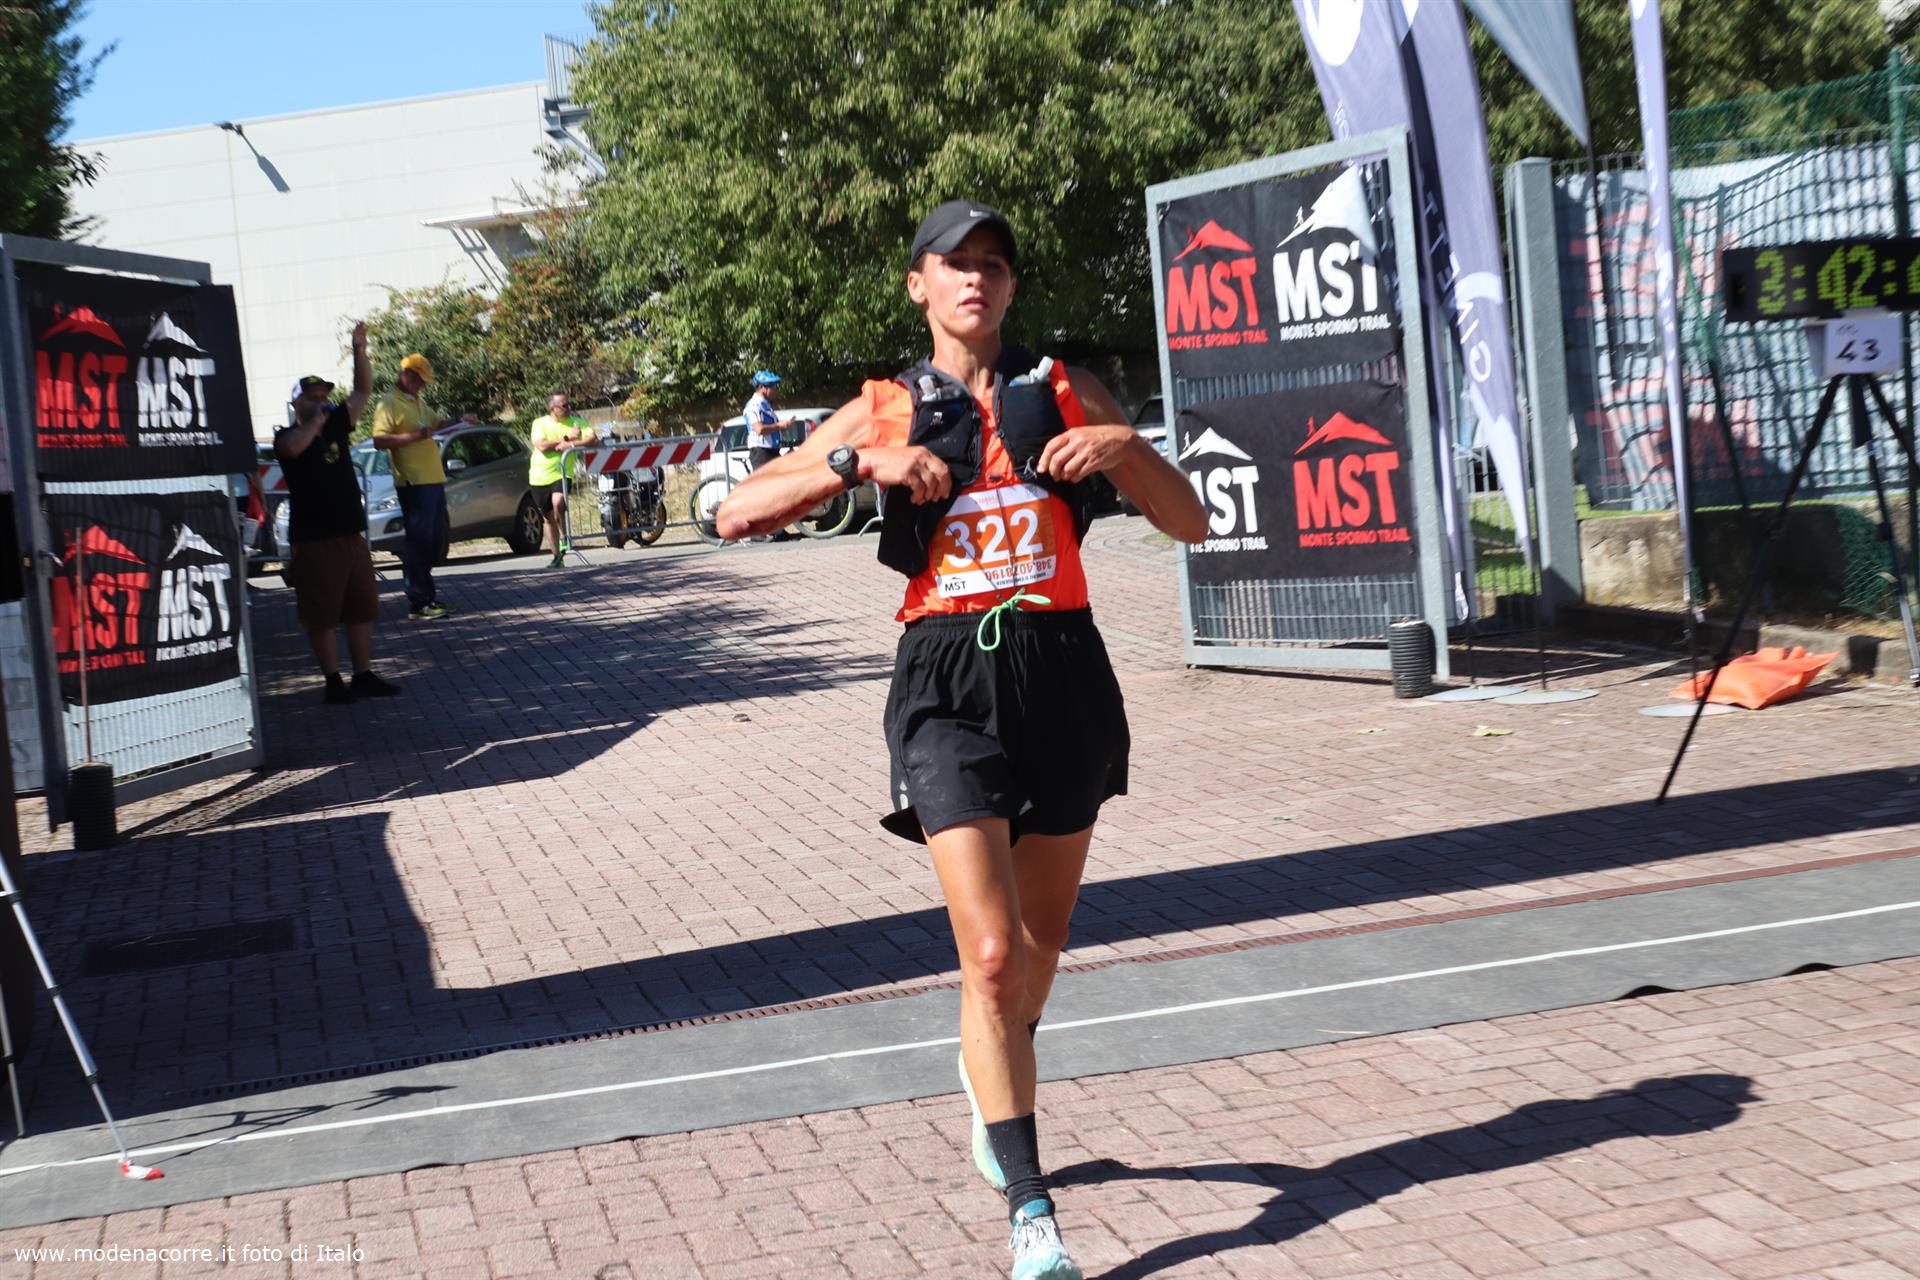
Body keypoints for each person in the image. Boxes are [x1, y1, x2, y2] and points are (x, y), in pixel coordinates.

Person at [716, 200, 1206, 1280]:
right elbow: (736, 512)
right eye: (954, 263)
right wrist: (862, 467)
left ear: (1012, 286)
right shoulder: (885, 406)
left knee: (1038, 943)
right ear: (920, 284)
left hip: (1063, 669)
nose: (975, 278)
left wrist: (1128, 447)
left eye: (993, 263)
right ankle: (1032, 1211)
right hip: (945, 677)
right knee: (988, 957)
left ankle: (993, 1070)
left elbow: (1191, 522)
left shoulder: (1066, 388)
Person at [274, 323, 401, 705]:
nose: (321, 402)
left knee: (362, 608)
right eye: (312, 398)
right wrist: (315, 421)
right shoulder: (286, 436)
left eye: (324, 397)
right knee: (323, 614)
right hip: (315, 540)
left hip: (350, 534)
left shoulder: (336, 428)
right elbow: (292, 449)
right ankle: (332, 681)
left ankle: (362, 675)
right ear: (297, 404)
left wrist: (360, 350)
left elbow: (363, 390)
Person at [369, 352, 475, 620]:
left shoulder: (417, 401)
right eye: (420, 380)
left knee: (435, 539)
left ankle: (428, 596)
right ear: (406, 374)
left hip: (433, 478)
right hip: (413, 481)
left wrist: (459, 420)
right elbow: (379, 441)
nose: (423, 386)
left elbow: (436, 425)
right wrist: (416, 436)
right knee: (419, 540)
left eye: (425, 382)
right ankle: (418, 602)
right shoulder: (389, 402)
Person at [527, 391, 596, 569]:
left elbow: (592, 438)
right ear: (553, 408)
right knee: (548, 518)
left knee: (558, 502)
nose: (569, 408)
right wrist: (567, 437)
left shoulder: (576, 422)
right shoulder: (540, 423)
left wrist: (571, 444)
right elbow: (541, 445)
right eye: (564, 405)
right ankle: (557, 557)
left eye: (569, 404)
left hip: (562, 473)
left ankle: (565, 537)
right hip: (539, 476)